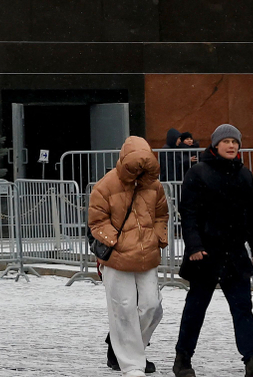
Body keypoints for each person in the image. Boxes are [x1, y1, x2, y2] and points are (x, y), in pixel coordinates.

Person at [176, 124, 253, 377]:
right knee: (195, 309)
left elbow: (249, 213)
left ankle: (252, 361)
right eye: (227, 141)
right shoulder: (197, 172)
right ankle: (183, 359)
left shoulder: (243, 174)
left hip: (234, 254)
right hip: (205, 254)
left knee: (242, 307)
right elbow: (188, 214)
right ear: (216, 145)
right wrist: (195, 246)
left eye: (235, 142)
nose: (232, 145)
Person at [90, 135, 168, 375]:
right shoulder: (105, 185)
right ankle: (133, 364)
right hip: (117, 257)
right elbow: (97, 219)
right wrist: (117, 242)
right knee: (122, 308)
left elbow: (161, 214)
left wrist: (157, 237)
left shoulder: (153, 185)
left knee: (152, 306)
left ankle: (131, 349)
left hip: (147, 255)